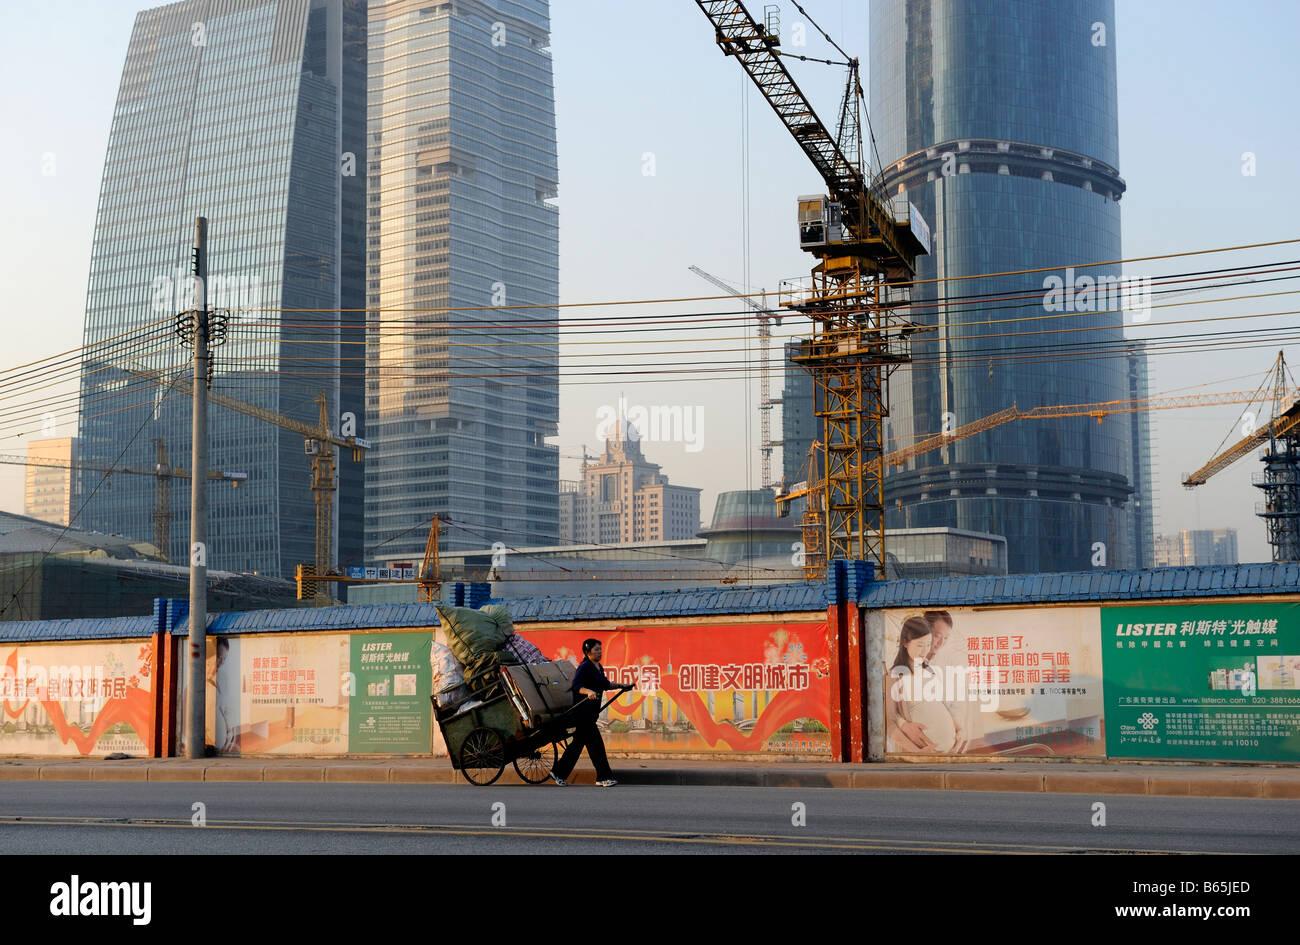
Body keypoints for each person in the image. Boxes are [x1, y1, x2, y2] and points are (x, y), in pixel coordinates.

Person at [550, 638, 627, 787]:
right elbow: (576, 685)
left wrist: (621, 686)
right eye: (596, 649)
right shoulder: (585, 667)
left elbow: (605, 684)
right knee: (596, 746)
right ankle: (604, 777)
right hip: (582, 714)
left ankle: (559, 772)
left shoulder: (598, 667)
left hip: (591, 713)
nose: (599, 652)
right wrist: (588, 692)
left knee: (577, 745)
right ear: (587, 652)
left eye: (600, 649)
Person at [887, 616, 964, 753]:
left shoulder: (930, 671)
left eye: (928, 644)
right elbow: (889, 723)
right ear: (905, 642)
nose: (924, 651)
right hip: (920, 754)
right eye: (920, 645)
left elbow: (943, 706)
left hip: (949, 752)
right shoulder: (893, 677)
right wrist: (918, 753)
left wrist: (960, 730)